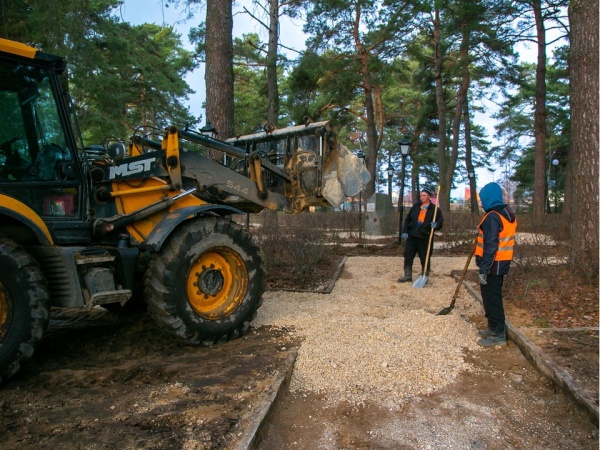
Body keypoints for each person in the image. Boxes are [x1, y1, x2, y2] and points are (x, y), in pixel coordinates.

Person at [475, 182, 517, 347]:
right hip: (501, 262)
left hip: (493, 265)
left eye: (482, 198)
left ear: (488, 198)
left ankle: (497, 334)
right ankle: (493, 328)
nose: (481, 202)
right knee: (492, 297)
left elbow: (491, 246)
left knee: (492, 299)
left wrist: (484, 269)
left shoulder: (493, 216)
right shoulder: (506, 212)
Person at [397, 187, 443, 283]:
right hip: (412, 235)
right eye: (421, 195)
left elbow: (440, 222)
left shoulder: (435, 210)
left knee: (424, 257)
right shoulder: (416, 207)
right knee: (408, 255)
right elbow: (408, 219)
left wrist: (436, 225)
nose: (421, 197)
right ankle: (408, 276)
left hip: (425, 237)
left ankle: (424, 276)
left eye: (424, 195)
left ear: (429, 197)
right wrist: (405, 231)